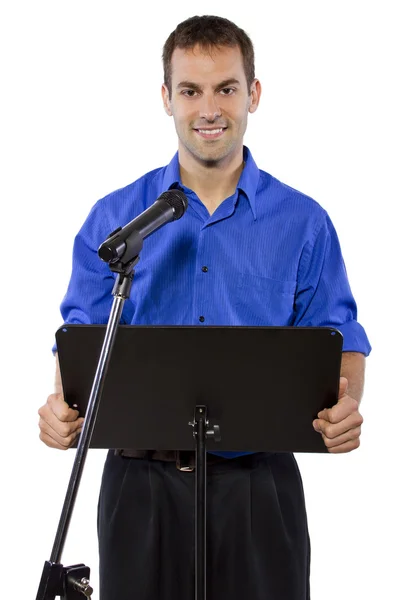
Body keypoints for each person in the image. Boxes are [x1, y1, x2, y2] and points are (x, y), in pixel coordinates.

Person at [38, 14, 371, 600]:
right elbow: (82, 337)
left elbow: (338, 333)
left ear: (254, 94)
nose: (209, 108)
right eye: (190, 90)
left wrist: (345, 406)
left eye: (226, 88)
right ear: (167, 98)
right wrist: (60, 407)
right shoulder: (115, 219)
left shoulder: (304, 222)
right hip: (138, 486)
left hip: (258, 485)